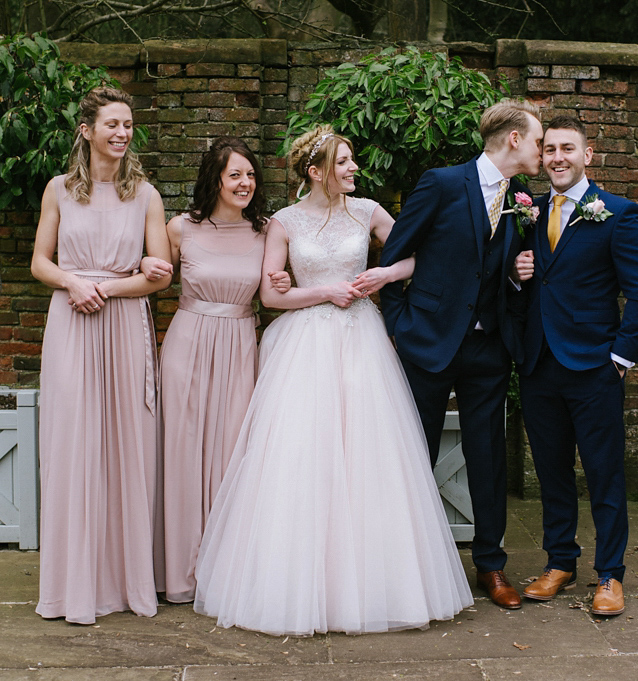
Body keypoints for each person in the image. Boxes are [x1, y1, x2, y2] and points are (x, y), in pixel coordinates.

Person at [193, 125, 472, 636]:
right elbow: (271, 296)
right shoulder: (283, 222)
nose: (352, 169)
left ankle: (372, 584)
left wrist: (384, 276)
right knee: (303, 459)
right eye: (342, 162)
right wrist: (325, 293)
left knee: (368, 458)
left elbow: (418, 255)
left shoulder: (368, 212)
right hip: (305, 345)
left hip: (362, 341)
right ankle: (300, 586)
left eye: (352, 160)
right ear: (315, 171)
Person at [379, 99, 541, 610]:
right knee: (413, 453)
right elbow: (395, 256)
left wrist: (517, 278)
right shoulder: (443, 183)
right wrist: (399, 327)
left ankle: (491, 566)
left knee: (488, 457)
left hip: (487, 348)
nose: (542, 150)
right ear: (514, 139)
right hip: (426, 343)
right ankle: (401, 563)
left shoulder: (523, 198)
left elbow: (502, 272)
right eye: (538, 140)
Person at [31, 86, 173, 624]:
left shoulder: (147, 196)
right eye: (112, 124)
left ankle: (127, 584)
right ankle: (73, 589)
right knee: (73, 444)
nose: (122, 133)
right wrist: (72, 281)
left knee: (126, 444)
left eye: (129, 125)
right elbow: (39, 262)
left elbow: (158, 275)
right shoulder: (60, 190)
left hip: (121, 320)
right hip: (71, 322)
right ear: (86, 130)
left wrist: (107, 288)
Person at [138, 137, 289, 605]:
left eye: (250, 175)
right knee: (182, 453)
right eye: (235, 175)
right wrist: (146, 260)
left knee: (232, 455)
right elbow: (155, 277)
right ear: (215, 180)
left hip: (240, 344)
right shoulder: (181, 227)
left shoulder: (266, 231)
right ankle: (180, 575)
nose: (245, 183)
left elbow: (276, 285)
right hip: (188, 342)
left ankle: (226, 571)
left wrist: (283, 279)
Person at [517, 115, 638, 616]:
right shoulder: (526, 214)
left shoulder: (618, 213)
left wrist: (619, 360)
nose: (557, 157)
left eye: (567, 148)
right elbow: (528, 284)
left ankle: (610, 574)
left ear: (587, 154)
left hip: (595, 368)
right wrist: (517, 275)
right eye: (549, 149)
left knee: (603, 474)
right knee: (552, 473)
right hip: (538, 366)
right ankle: (560, 562)